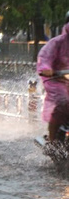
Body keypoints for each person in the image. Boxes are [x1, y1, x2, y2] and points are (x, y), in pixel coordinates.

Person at [37, 20, 69, 152]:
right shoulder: (56, 43)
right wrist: (46, 68)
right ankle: (52, 139)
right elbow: (45, 57)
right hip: (55, 78)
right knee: (63, 101)